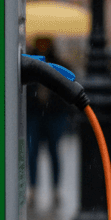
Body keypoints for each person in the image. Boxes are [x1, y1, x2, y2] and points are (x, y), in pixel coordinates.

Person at [26, 36, 69, 207]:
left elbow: (64, 90)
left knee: (54, 151)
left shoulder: (58, 64)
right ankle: (33, 187)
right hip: (35, 114)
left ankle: (55, 188)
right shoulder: (29, 63)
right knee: (32, 152)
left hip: (53, 115)